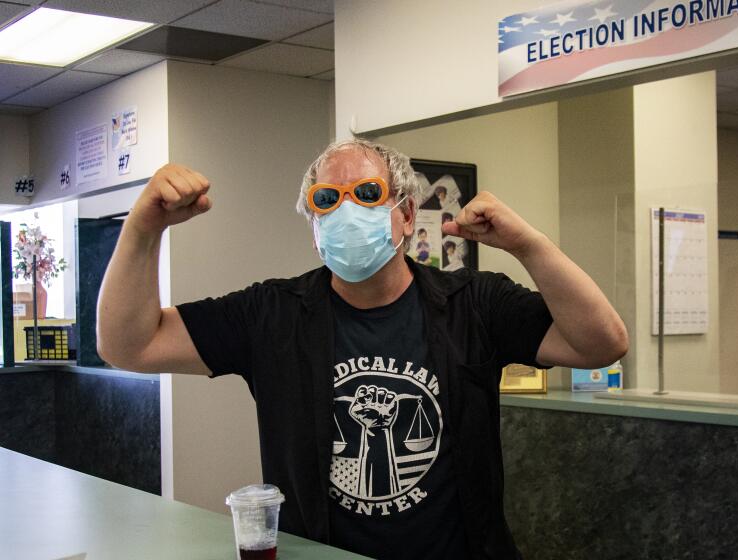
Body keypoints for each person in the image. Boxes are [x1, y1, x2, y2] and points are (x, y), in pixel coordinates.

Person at [97, 139, 627, 560]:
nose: (347, 210)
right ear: (314, 225)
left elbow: (602, 342)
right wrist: (143, 229)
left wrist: (526, 243)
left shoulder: (474, 303)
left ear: (405, 213)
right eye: (327, 200)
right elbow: (130, 345)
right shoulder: (271, 315)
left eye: (368, 194)